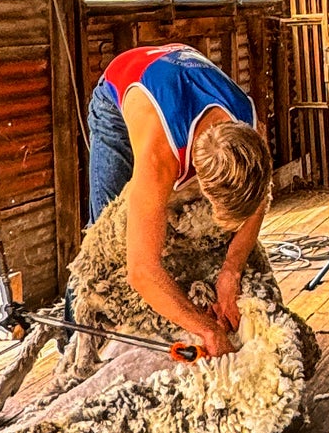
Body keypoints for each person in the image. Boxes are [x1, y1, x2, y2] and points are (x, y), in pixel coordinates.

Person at [87, 41, 273, 357]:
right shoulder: (161, 156)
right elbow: (141, 268)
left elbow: (259, 197)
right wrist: (206, 328)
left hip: (177, 70)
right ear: (200, 182)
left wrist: (232, 270)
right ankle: (75, 348)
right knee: (104, 239)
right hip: (126, 86)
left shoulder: (252, 132)